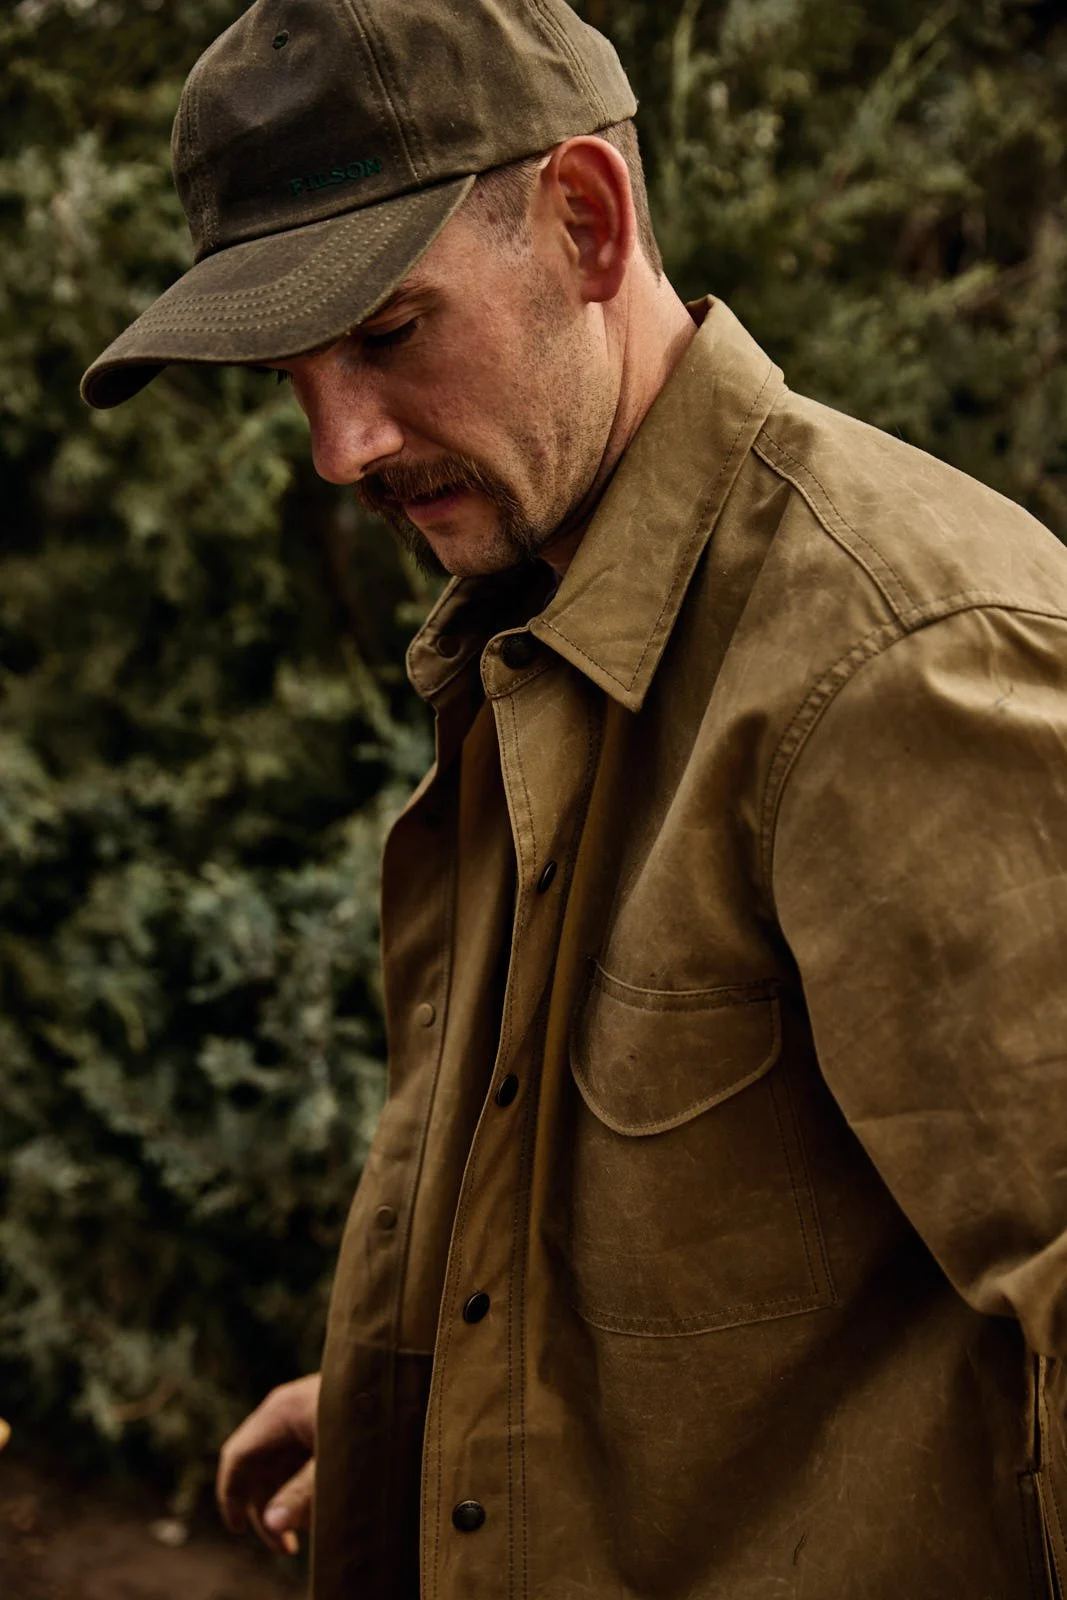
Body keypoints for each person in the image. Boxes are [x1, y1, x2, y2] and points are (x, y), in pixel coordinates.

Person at [81, 1, 1067, 1596]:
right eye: (292, 369)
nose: (339, 447)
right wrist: (451, 1423)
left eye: (389, 334)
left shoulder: (895, 653)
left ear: (586, 222)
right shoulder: (543, 628)